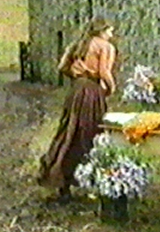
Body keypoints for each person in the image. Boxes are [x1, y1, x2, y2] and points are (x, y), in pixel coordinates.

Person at [38, 15, 117, 204]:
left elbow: (62, 67)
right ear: (102, 30)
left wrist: (77, 73)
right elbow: (104, 72)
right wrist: (111, 87)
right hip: (92, 93)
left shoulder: (79, 44)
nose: (111, 34)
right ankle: (94, 182)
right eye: (110, 30)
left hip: (75, 92)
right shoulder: (105, 47)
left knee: (69, 132)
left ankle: (60, 180)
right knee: (91, 134)